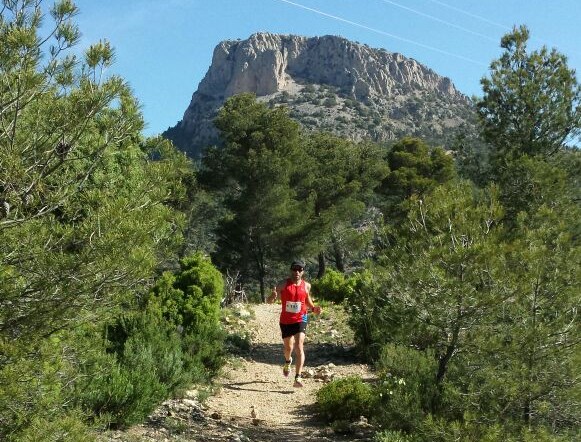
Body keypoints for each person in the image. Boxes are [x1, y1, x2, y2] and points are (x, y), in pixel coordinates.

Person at [266, 260, 321, 387]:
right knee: (288, 348)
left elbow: (307, 299)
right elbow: (269, 301)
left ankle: (298, 377)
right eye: (295, 269)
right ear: (291, 270)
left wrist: (313, 308)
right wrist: (272, 297)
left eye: (300, 269)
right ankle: (287, 361)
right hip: (286, 320)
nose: (297, 272)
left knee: (299, 346)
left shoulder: (307, 285)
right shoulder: (283, 284)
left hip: (301, 318)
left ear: (303, 272)